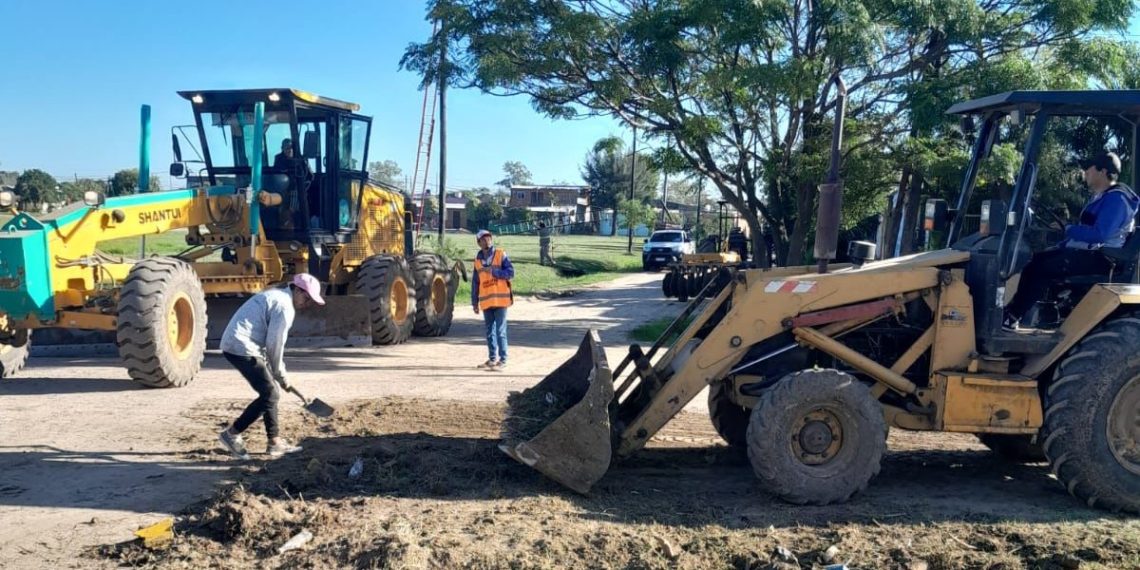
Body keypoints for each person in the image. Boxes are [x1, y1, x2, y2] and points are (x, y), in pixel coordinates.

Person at [1004, 151, 1139, 330]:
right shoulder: (1103, 197)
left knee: (1041, 268)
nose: (1085, 172)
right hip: (1091, 254)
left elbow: (1099, 235)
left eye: (1088, 168)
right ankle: (1024, 313)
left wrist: (1068, 229)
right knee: (1035, 260)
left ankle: (1012, 316)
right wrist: (1062, 243)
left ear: (1102, 171)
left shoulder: (1117, 200)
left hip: (1103, 260)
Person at [218, 274, 326, 459]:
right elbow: (275, 345)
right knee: (271, 394)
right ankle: (232, 434)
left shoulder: (276, 296)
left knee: (270, 392)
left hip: (241, 344)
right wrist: (281, 375)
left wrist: (276, 374)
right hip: (241, 346)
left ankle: (274, 442)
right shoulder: (284, 307)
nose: (306, 304)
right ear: (297, 290)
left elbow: (269, 345)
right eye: (306, 298)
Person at [472, 229, 514, 370]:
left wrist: (495, 272)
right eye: (483, 239)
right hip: (486, 302)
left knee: (500, 331)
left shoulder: (500, 254)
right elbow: (475, 283)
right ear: (479, 243)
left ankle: (503, 360)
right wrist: (474, 302)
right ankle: (492, 359)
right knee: (490, 331)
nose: (487, 240)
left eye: (488, 238)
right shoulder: (477, 261)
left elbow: (510, 272)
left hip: (501, 301)